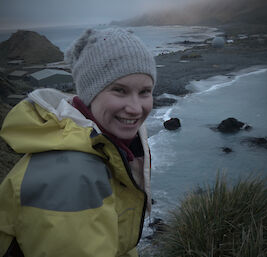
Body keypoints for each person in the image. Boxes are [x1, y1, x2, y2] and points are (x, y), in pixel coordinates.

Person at [0, 27, 157, 257]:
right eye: (119, 90)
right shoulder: (72, 176)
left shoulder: (104, 146)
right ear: (90, 92)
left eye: (145, 91)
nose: (135, 108)